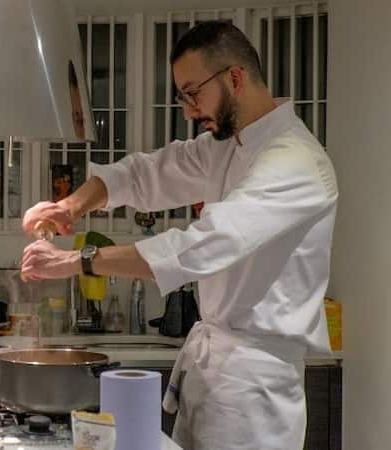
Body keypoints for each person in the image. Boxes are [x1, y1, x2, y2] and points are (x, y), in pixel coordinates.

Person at [20, 21, 338, 450]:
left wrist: (79, 260)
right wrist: (71, 205)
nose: (188, 111)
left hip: (254, 395)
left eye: (193, 93)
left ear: (235, 78)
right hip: (211, 375)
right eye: (182, 97)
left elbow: (200, 246)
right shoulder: (226, 146)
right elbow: (144, 173)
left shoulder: (295, 162)